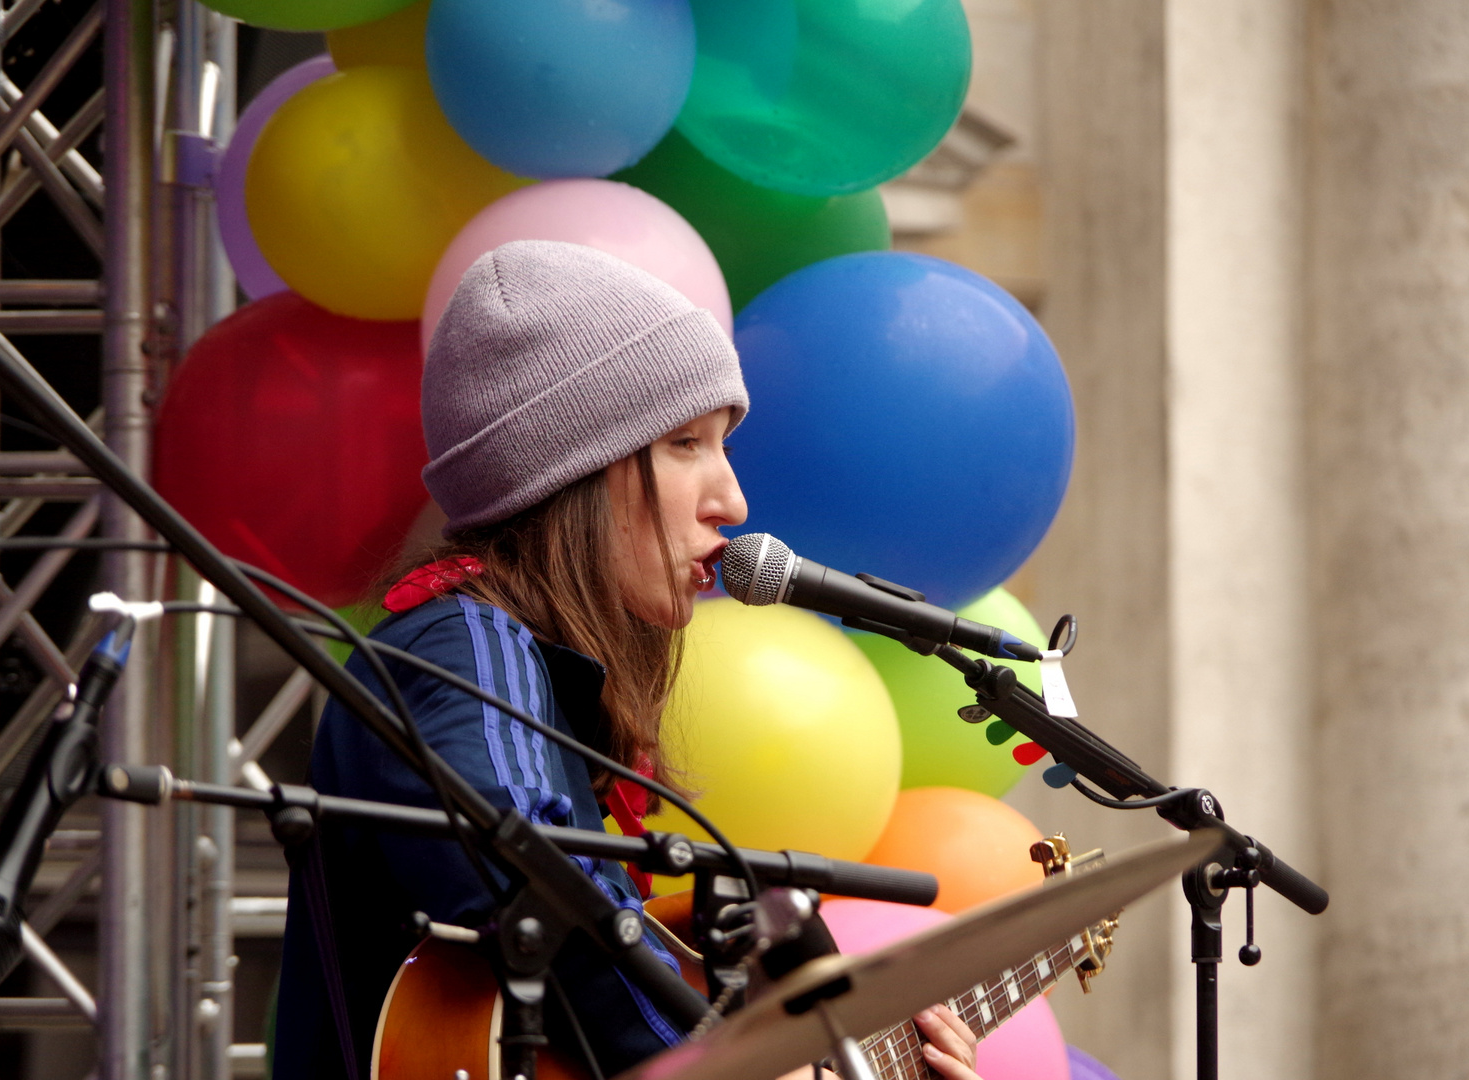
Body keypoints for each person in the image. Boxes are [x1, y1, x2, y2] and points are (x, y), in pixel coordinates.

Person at [273, 241, 983, 1079]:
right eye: (686, 443)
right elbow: (546, 898)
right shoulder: (463, 649)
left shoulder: (519, 666)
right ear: (569, 472)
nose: (733, 500)